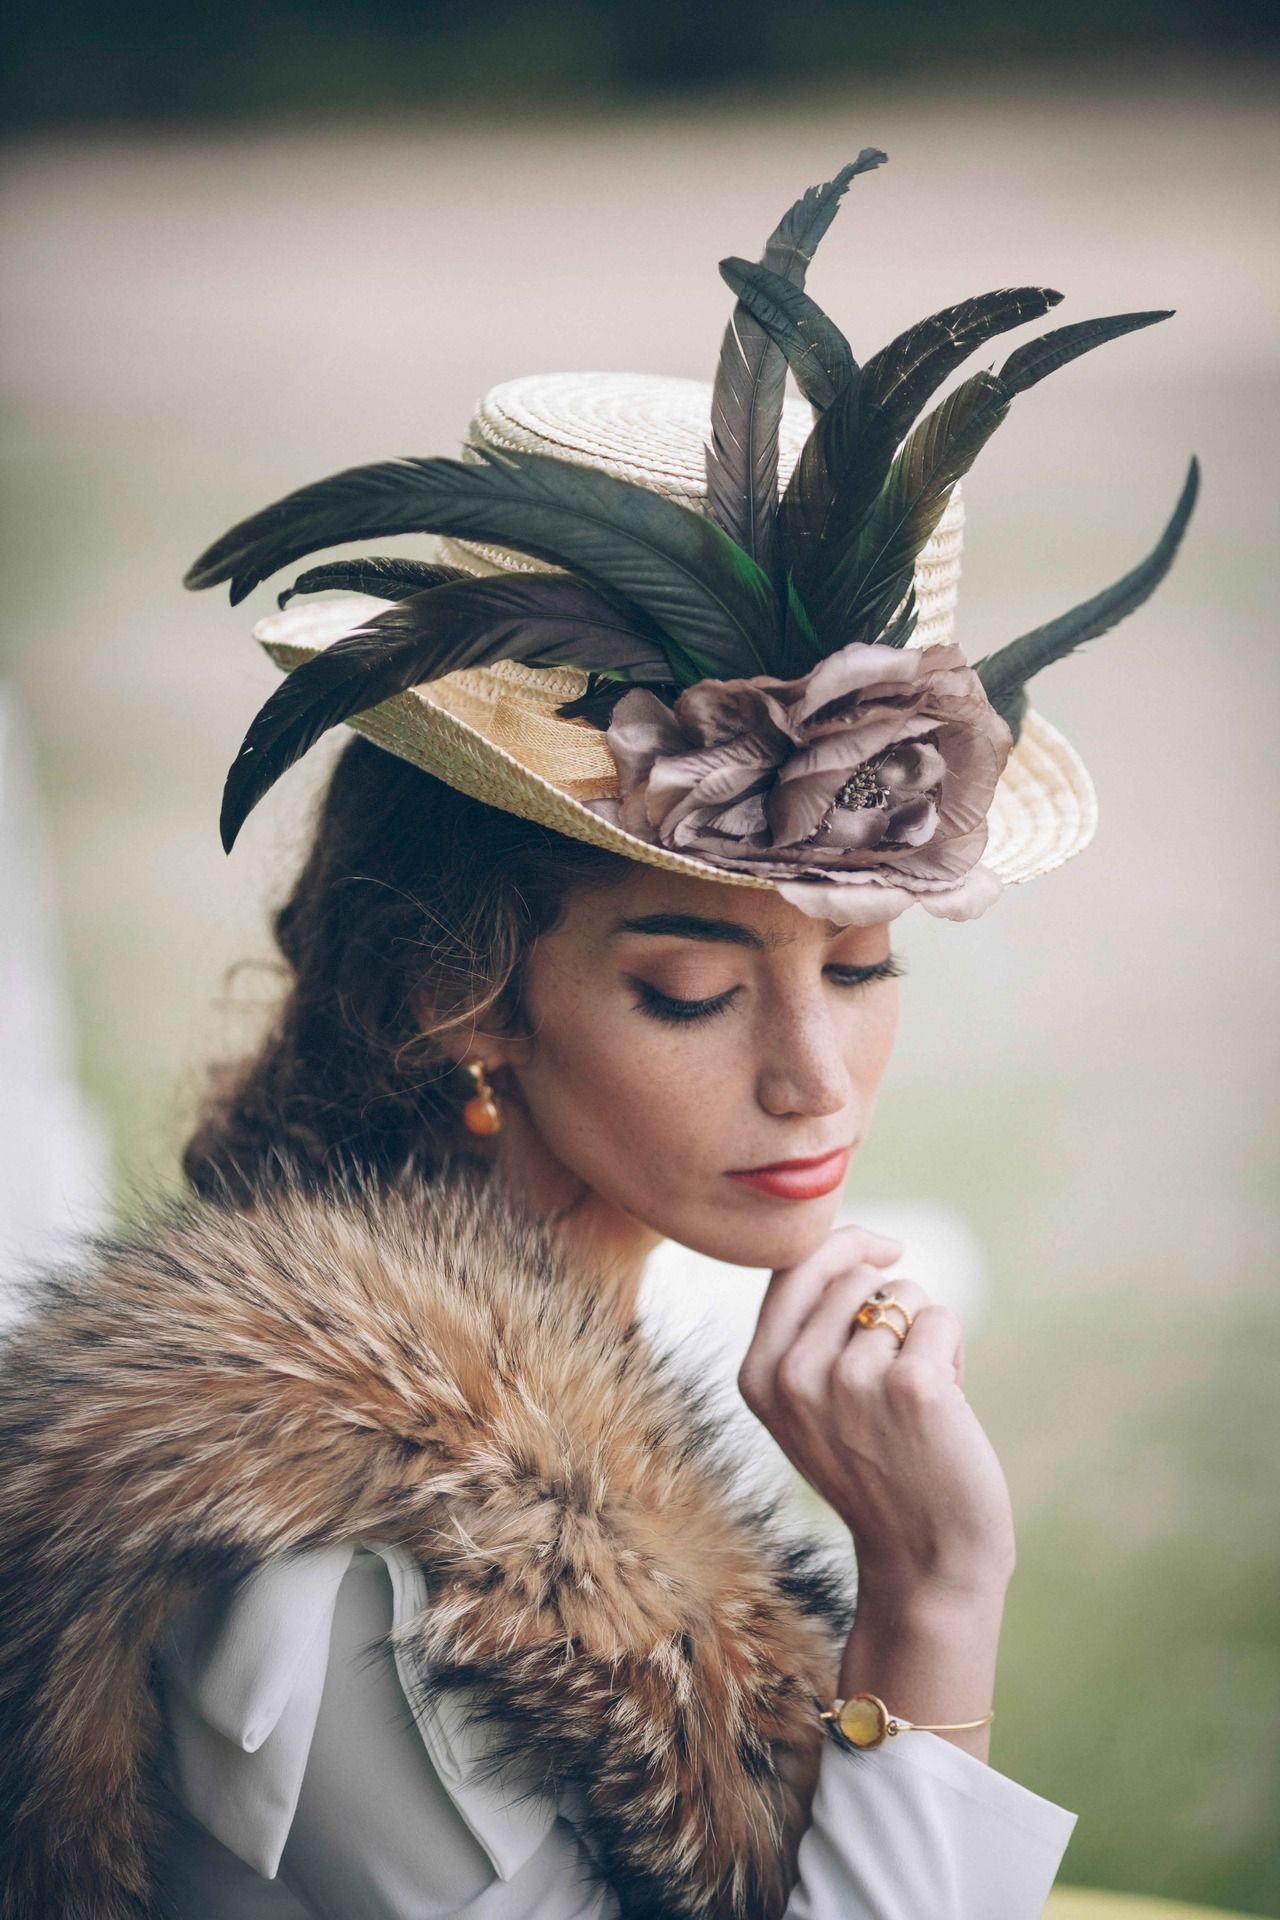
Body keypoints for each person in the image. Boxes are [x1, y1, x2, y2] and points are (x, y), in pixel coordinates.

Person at [0, 153, 1198, 1920]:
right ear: (464, 995)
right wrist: (934, 1597)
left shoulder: (665, 1364)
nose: (813, 1078)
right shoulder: (344, 1594)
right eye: (691, 989)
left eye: (862, 966)